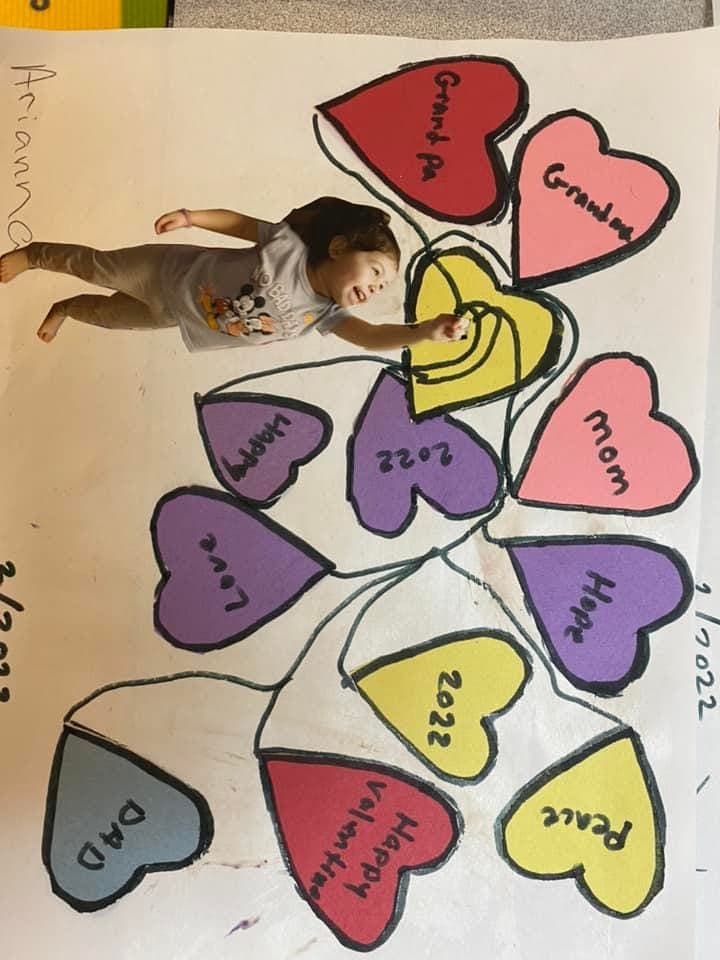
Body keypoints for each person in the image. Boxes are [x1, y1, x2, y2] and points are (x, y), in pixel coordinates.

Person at [0, 196, 465, 351]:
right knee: (96, 266)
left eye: (383, 286)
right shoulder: (287, 247)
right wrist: (191, 216)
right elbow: (240, 223)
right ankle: (34, 254)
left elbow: (370, 337)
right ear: (339, 247)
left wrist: (422, 333)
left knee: (106, 315)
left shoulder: (323, 315)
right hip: (167, 270)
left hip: (175, 315)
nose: (376, 287)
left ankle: (63, 308)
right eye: (376, 270)